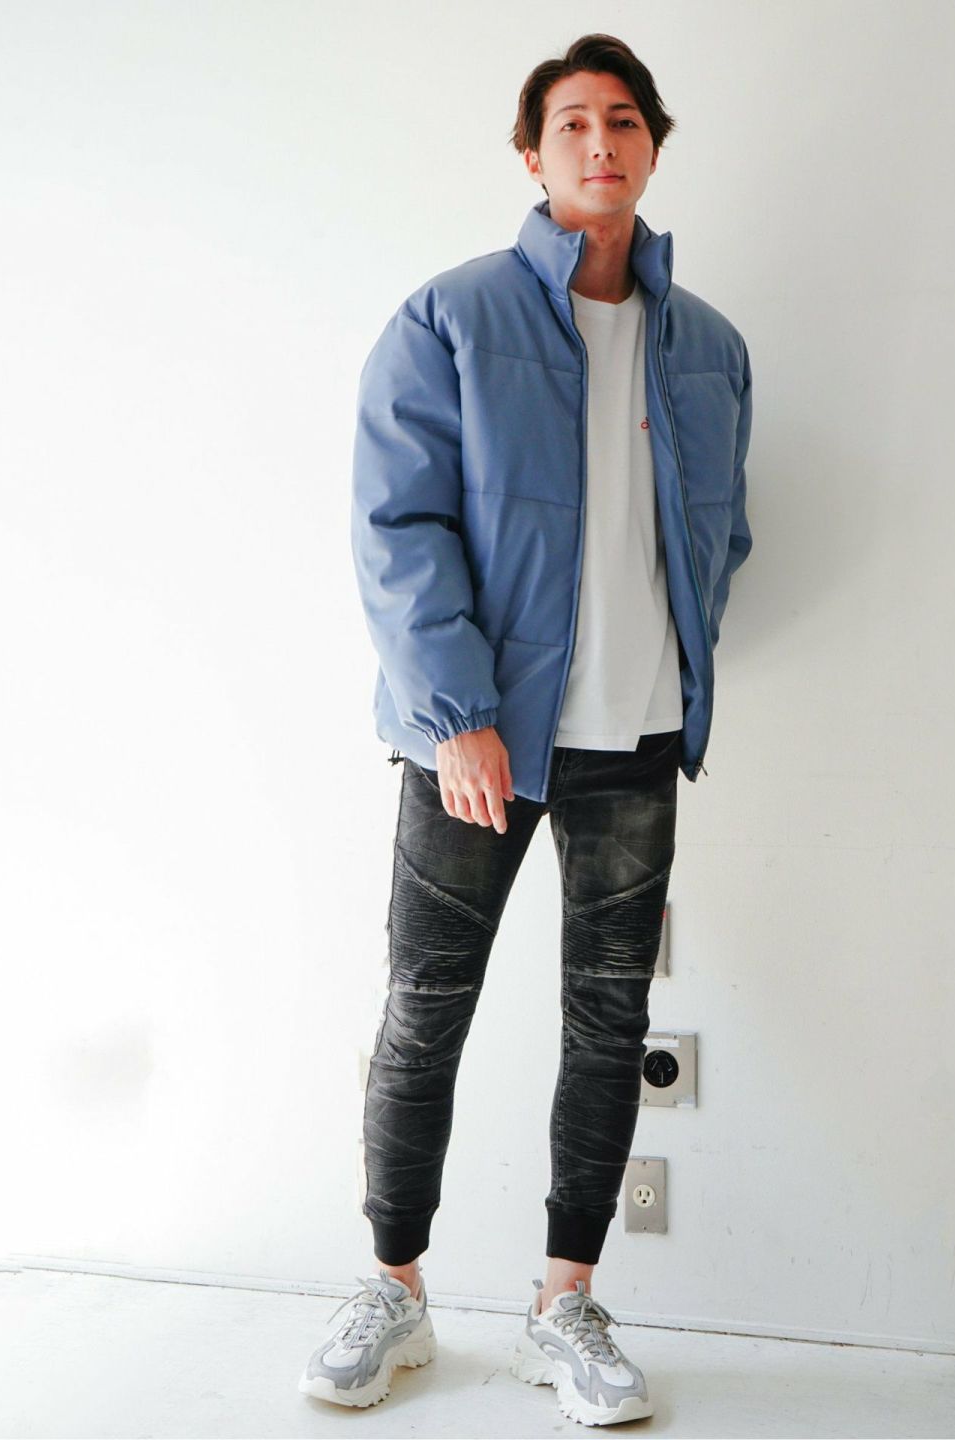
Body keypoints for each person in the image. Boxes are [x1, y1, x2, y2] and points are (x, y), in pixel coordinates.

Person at [299, 32, 754, 1427]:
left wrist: (678, 658)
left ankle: (567, 1304)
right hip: (479, 743)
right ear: (531, 151)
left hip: (637, 737)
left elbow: (721, 531)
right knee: (425, 1007)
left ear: (653, 145)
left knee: (609, 1021)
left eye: (625, 120)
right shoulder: (451, 318)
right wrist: (458, 716)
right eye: (572, 123)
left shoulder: (708, 346)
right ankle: (394, 1289)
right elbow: (399, 529)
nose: (600, 143)